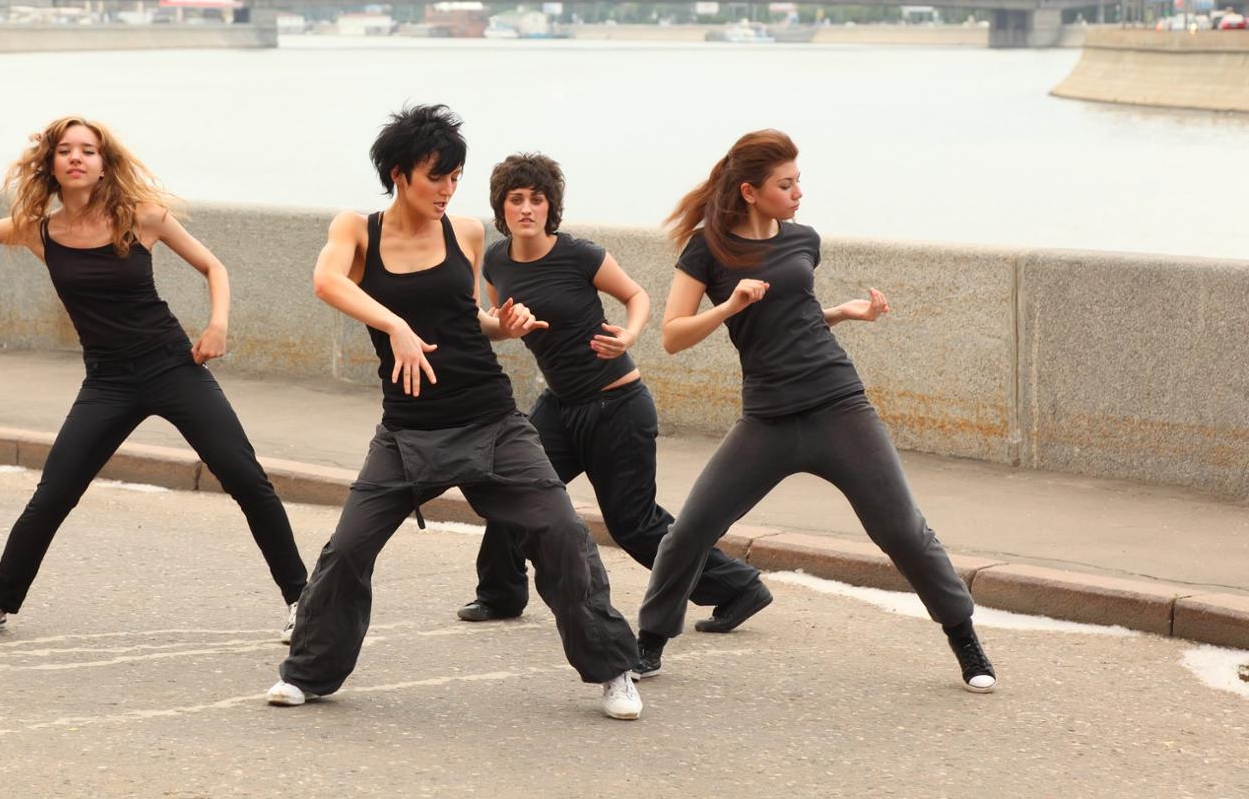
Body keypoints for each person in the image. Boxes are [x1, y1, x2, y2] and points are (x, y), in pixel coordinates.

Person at [266, 105, 644, 720]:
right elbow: (325, 282)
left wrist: (506, 324)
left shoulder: (465, 232)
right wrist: (396, 327)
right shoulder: (357, 230)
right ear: (398, 174)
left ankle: (612, 669)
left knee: (563, 534)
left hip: (490, 420)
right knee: (347, 551)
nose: (446, 190)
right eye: (435, 176)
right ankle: (308, 673)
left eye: (454, 176)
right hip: (407, 431)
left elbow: (471, 321)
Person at [635, 129, 996, 693]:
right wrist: (729, 305)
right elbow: (673, 336)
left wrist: (842, 313)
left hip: (838, 405)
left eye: (798, 179)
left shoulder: (804, 239)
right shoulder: (708, 249)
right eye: (787, 183)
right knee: (690, 532)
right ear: (751, 191)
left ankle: (964, 639)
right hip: (767, 420)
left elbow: (790, 319)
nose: (799, 191)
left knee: (902, 530)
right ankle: (650, 643)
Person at [0, 116, 306, 642]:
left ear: (104, 163)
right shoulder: (39, 230)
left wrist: (217, 324)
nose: (77, 158)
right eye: (65, 150)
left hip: (173, 367)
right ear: (52, 164)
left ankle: (303, 600)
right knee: (53, 494)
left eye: (88, 150)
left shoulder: (141, 218)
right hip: (107, 382)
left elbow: (214, 267)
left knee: (247, 479)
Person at [455, 152, 772, 637]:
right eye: (515, 199)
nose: (526, 208)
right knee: (511, 491)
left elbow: (637, 296)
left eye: (536, 199)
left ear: (550, 206)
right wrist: (502, 325)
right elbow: (501, 327)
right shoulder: (497, 261)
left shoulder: (579, 254)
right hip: (560, 406)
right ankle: (500, 592)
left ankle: (738, 585)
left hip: (616, 406)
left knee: (634, 524)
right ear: (501, 206)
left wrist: (628, 334)